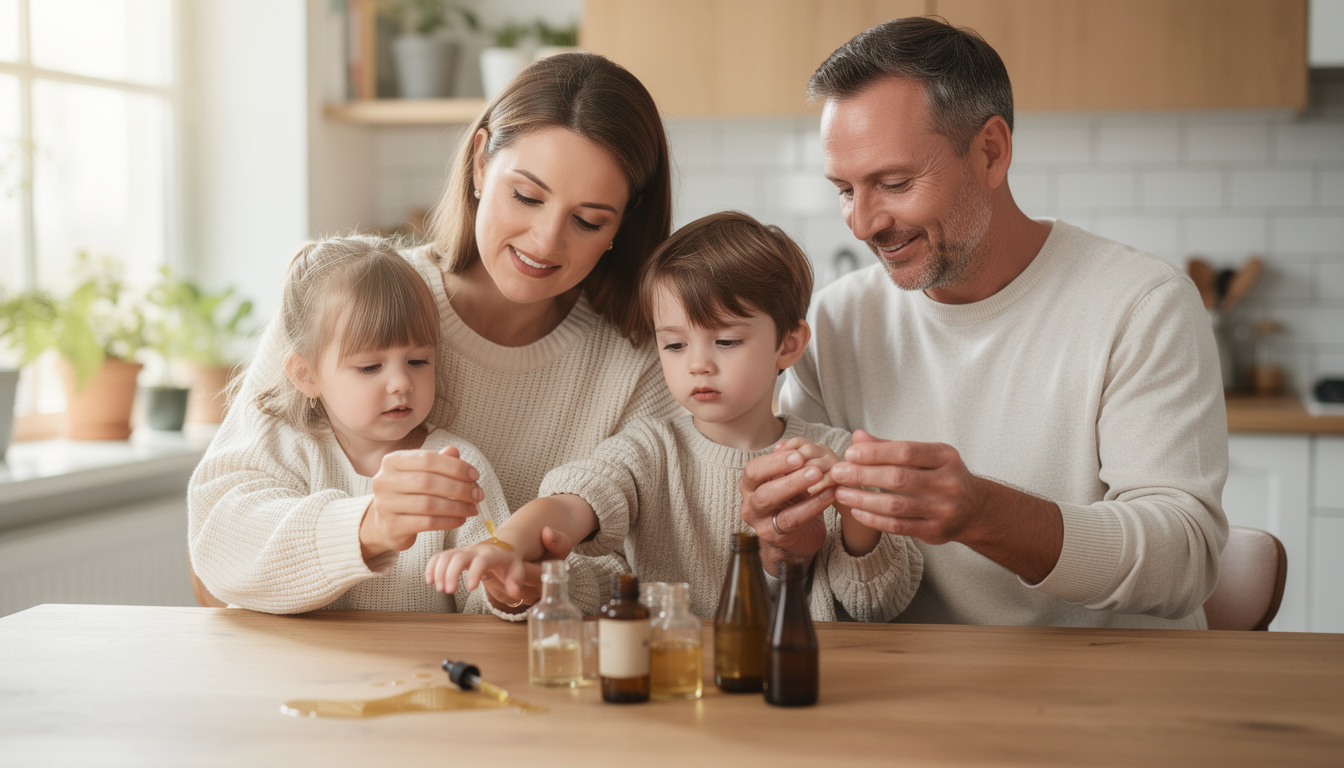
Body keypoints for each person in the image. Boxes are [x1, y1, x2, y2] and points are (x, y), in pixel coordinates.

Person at [738, 17, 1228, 628]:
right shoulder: (836, 323)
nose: (863, 224)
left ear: (991, 152)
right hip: (904, 677)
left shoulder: (1142, 305)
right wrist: (786, 547)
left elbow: (1184, 560)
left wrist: (983, 514)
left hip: (1105, 678)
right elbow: (819, 578)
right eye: (844, 190)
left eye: (894, 183)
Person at [189, 53, 680, 615]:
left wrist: (537, 587)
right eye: (526, 196)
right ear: (480, 163)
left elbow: (660, 574)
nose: (546, 241)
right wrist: (367, 528)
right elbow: (213, 557)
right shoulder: (350, 299)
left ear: (624, 221)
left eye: (588, 221)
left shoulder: (648, 359)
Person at [425, 211, 922, 621]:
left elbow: (876, 605)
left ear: (788, 344)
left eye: (726, 341)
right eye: (675, 344)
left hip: (795, 681)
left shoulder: (832, 457)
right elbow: (571, 505)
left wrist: (855, 505)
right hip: (670, 677)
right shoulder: (649, 447)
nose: (697, 364)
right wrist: (509, 544)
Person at [192, 234, 511, 612]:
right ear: (306, 375)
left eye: (418, 361)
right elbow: (228, 556)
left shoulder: (456, 466)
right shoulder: (283, 448)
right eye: (370, 367)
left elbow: (490, 594)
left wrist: (504, 594)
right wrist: (367, 525)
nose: (401, 383)